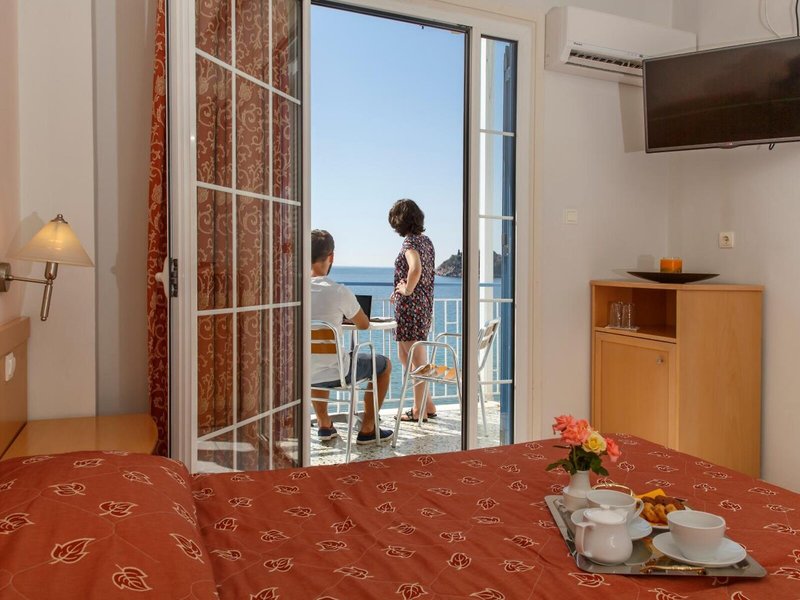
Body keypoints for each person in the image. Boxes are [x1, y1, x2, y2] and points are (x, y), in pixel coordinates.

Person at [310, 229, 394, 444]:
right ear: (331, 257)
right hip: (338, 372)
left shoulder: (292, 292)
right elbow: (363, 325)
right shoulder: (338, 291)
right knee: (384, 365)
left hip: (303, 372)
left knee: (316, 363)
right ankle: (368, 428)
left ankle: (324, 425)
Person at [388, 199, 437, 422]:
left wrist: (407, 290)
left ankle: (419, 411)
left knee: (417, 362)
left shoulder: (410, 243)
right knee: (404, 355)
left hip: (411, 309)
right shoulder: (426, 241)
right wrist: (400, 289)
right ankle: (428, 404)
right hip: (421, 306)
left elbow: (415, 269)